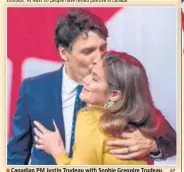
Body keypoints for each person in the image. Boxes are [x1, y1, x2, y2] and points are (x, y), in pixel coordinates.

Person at [7, 8, 176, 165]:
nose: (98, 58)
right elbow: (16, 155)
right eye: (88, 51)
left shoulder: (122, 86)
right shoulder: (34, 89)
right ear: (64, 53)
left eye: (103, 48)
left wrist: (152, 146)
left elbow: (170, 140)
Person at [33, 51, 176, 165]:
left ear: (114, 94)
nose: (85, 80)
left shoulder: (89, 118)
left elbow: (174, 142)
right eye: (90, 73)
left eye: (95, 78)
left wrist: (58, 152)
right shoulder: (143, 115)